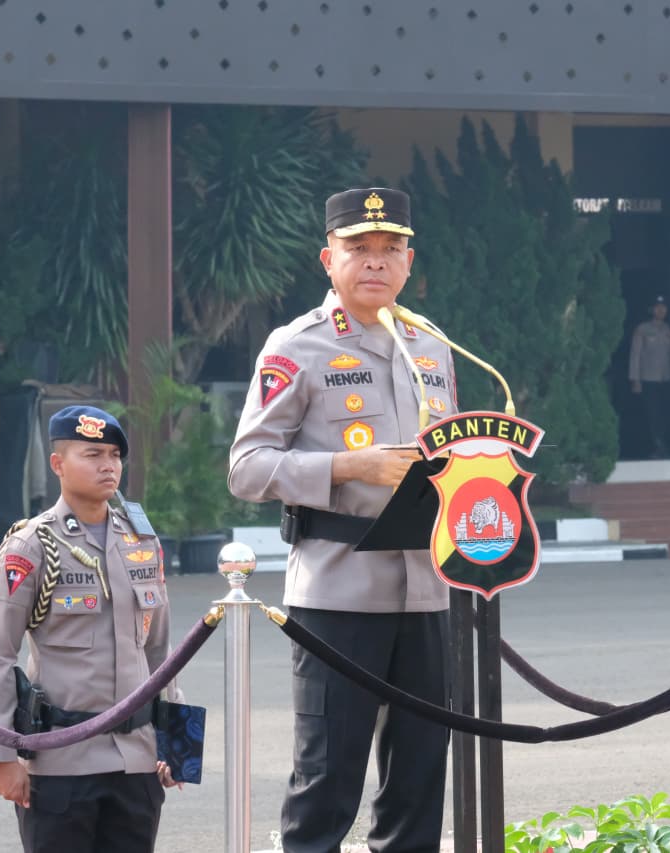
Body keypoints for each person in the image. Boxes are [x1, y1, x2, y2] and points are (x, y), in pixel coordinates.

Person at [229, 187, 456, 852]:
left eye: (391, 249)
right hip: (336, 591)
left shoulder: (432, 347)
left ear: (410, 263)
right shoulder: (295, 346)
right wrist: (350, 467)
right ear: (329, 258)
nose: (376, 262)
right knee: (327, 780)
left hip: (426, 589)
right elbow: (247, 467)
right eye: (359, 248)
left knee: (418, 779)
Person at [0, 405, 183, 853]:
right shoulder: (30, 545)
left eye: (114, 455)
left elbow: (161, 653)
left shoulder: (141, 541)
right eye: (92, 454)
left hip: (137, 761)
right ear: (58, 465)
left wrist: (177, 742)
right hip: (60, 763)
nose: (108, 465)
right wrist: (1, 757)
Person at [628, 295, 670, 458]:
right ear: (651, 309)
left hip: (666, 378)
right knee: (653, 414)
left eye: (664, 307)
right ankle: (658, 446)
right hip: (648, 379)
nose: (661, 310)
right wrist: (635, 379)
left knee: (669, 413)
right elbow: (635, 355)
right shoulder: (642, 329)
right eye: (658, 307)